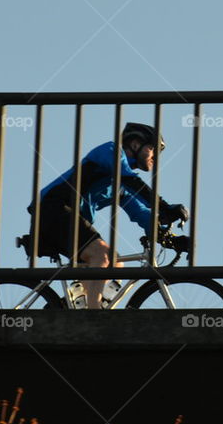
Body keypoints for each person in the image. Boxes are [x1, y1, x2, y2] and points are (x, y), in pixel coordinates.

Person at [25, 122, 190, 309]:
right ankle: (93, 317)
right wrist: (165, 207)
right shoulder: (110, 151)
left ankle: (67, 308)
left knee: (116, 264)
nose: (155, 158)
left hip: (67, 217)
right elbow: (130, 180)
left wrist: (171, 239)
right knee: (103, 255)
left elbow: (142, 214)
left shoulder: (120, 187)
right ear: (135, 144)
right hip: (52, 209)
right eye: (152, 149)